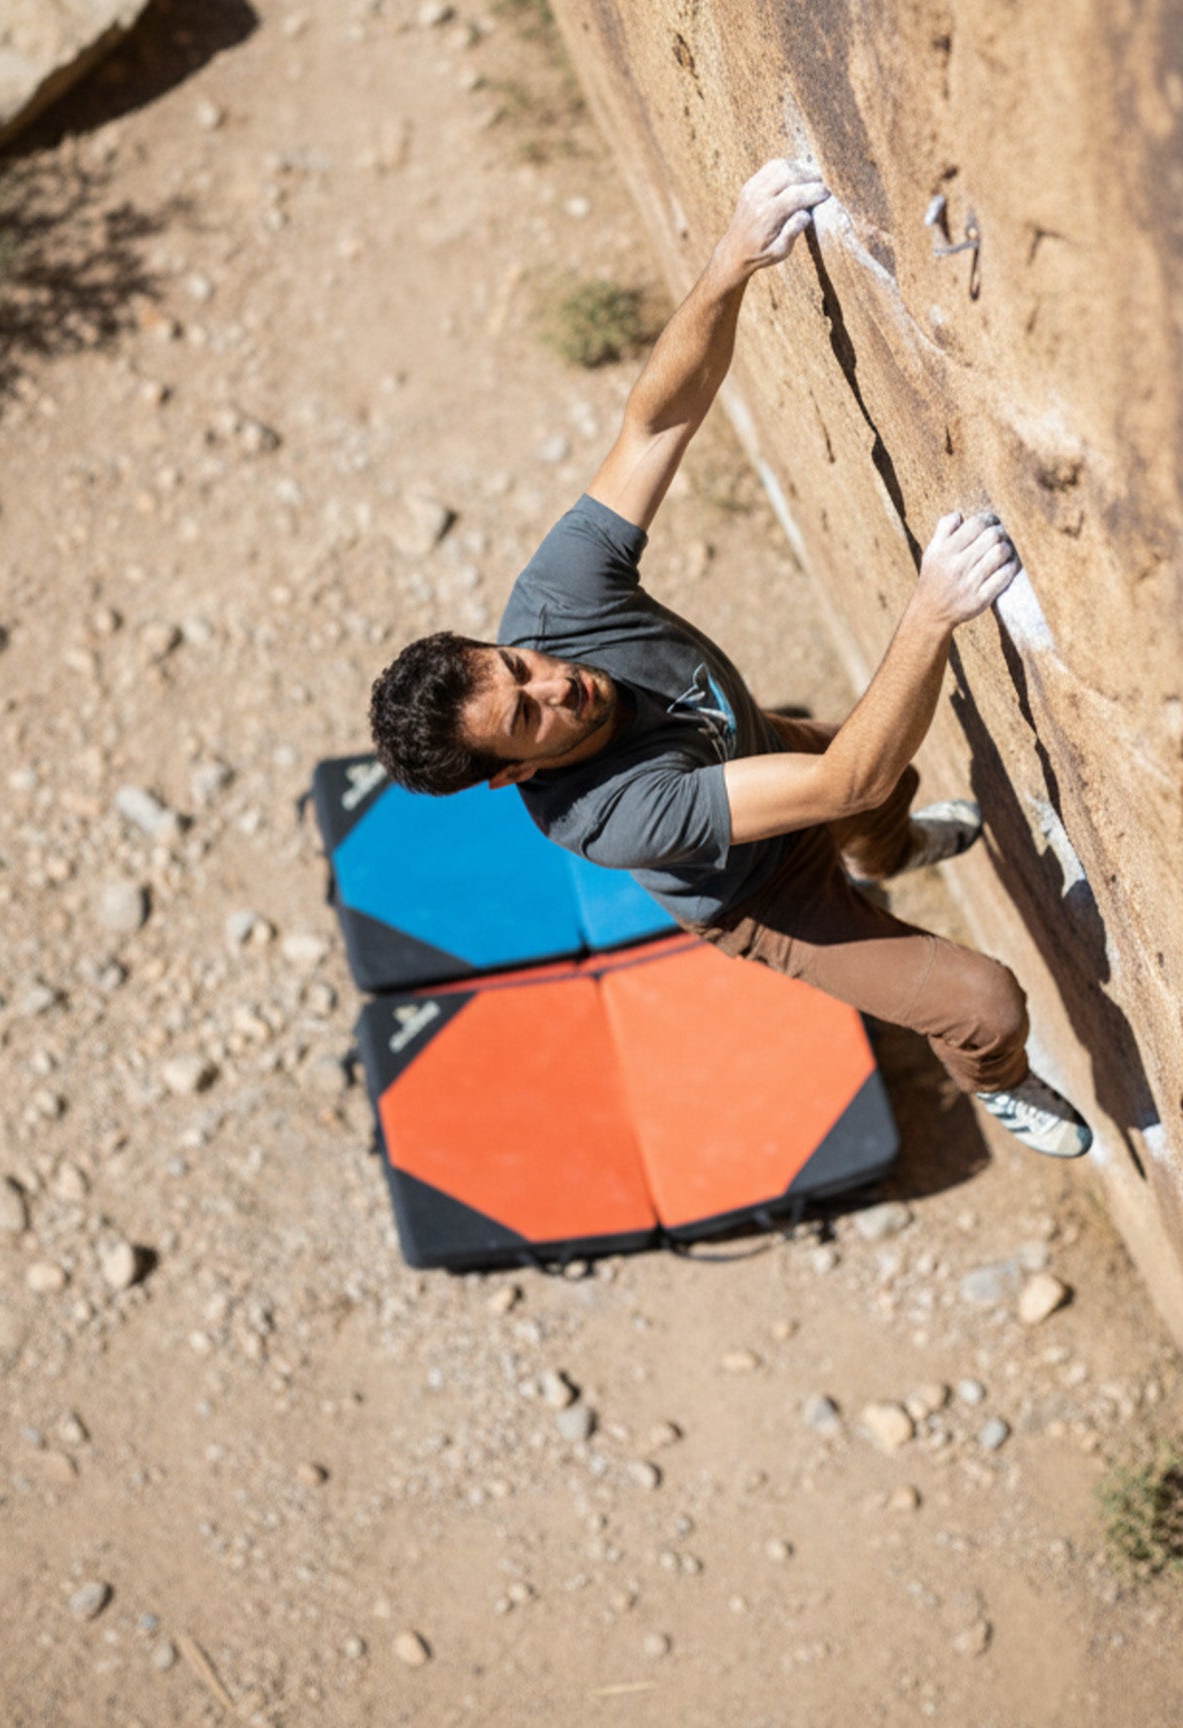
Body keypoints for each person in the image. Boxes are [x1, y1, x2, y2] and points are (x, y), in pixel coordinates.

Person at [370, 160, 1092, 1158]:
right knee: (983, 1000)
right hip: (759, 895)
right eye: (529, 715)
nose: (552, 680)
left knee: (889, 796)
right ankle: (999, 1086)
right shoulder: (608, 818)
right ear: (520, 774)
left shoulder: (554, 606)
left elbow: (656, 420)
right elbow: (845, 776)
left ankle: (894, 852)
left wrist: (731, 260)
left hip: (755, 751)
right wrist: (931, 610)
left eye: (515, 666)